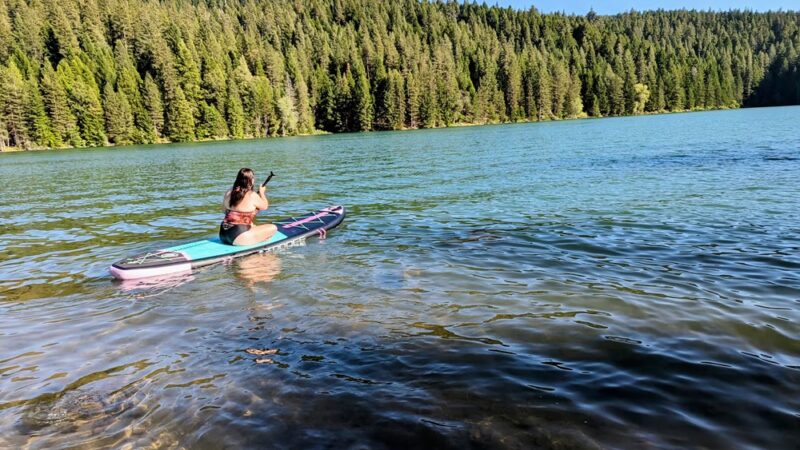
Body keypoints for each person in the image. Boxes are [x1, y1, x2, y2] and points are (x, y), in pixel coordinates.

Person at [219, 168, 277, 245]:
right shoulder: (252, 195)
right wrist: (262, 193)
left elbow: (224, 210)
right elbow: (265, 206)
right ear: (251, 180)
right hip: (239, 237)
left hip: (223, 234)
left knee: (251, 225)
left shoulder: (229, 191)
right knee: (273, 227)